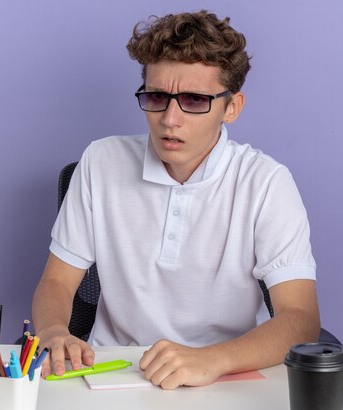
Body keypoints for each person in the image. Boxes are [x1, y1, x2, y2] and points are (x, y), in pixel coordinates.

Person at [32, 10, 320, 390]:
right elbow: (56, 280)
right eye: (156, 96)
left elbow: (300, 319)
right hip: (113, 371)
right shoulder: (101, 161)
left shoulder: (266, 183)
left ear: (231, 107)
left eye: (195, 101)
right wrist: (54, 332)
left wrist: (211, 360)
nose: (170, 119)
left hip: (226, 374)